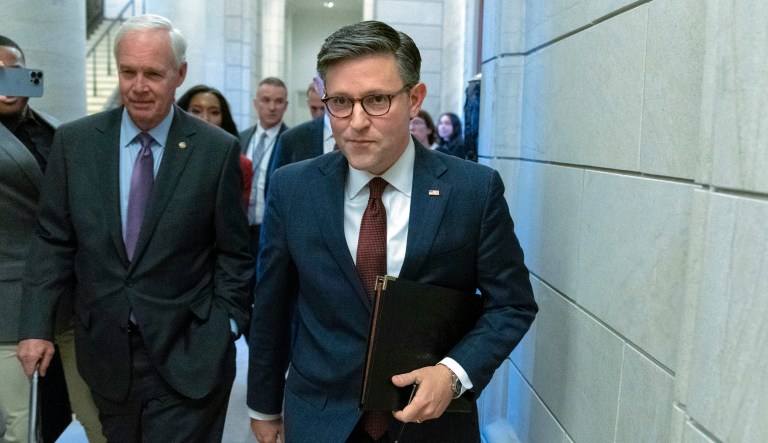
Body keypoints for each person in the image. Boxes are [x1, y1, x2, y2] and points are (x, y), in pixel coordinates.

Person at [247, 20, 537, 443]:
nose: (356, 122)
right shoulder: (294, 188)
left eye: (377, 100)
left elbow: (512, 304)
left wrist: (453, 373)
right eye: (340, 102)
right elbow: (272, 307)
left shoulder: (472, 191)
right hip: (319, 417)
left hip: (431, 425)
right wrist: (264, 405)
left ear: (414, 99)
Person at [16, 14, 252, 443]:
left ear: (179, 74)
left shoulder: (216, 151)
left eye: (153, 74)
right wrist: (36, 325)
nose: (139, 86)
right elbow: (53, 240)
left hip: (191, 350)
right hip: (106, 354)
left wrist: (225, 325)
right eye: (128, 72)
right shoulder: (75, 143)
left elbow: (234, 252)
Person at [0, 35, 105, 443]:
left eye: (14, 71)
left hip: (72, 298)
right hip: (10, 306)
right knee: (22, 427)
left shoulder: (57, 130)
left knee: (99, 416)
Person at [177, 84, 254, 206]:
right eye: (196, 111)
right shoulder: (167, 153)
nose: (205, 118)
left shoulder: (241, 164)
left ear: (224, 118)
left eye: (214, 112)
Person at [239, 77, 289, 260]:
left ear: (286, 106)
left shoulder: (292, 141)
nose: (272, 107)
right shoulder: (240, 139)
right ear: (255, 103)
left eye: (278, 101)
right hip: (241, 228)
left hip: (273, 231)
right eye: (266, 100)